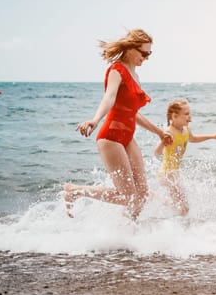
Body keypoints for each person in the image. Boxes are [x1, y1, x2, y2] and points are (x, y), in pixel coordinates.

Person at [63, 28, 171, 220]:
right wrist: (95, 119)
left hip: (128, 138)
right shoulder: (116, 70)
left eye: (149, 54)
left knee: (142, 195)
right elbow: (109, 97)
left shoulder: (135, 76)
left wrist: (159, 133)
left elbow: (133, 113)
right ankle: (75, 190)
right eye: (144, 53)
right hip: (110, 137)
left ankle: (127, 233)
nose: (146, 58)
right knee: (127, 196)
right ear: (131, 49)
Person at [154, 99, 216, 216]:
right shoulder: (169, 132)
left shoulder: (186, 130)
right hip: (167, 175)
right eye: (186, 114)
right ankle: (180, 227)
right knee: (184, 207)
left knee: (181, 206)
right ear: (175, 116)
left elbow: (193, 139)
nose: (189, 117)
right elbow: (156, 153)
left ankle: (159, 201)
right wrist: (162, 142)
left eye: (189, 113)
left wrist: (212, 136)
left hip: (174, 174)